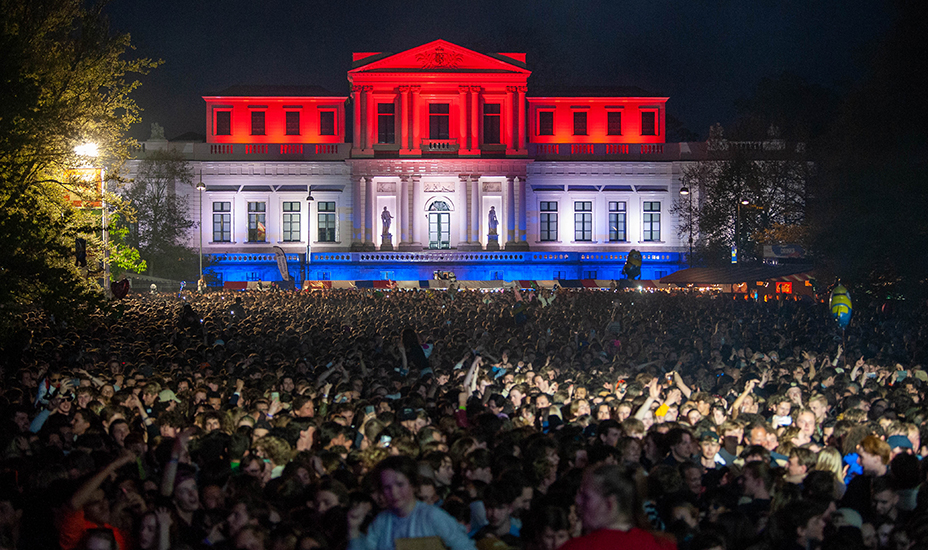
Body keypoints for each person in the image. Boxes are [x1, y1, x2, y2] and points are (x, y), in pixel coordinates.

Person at [347, 455, 475, 550]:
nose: (394, 492)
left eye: (400, 484)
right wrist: (353, 530)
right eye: (387, 487)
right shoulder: (382, 522)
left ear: (413, 485)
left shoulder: (432, 517)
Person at [560, 464, 675, 550]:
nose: (578, 501)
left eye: (586, 497)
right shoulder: (663, 545)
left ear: (610, 503)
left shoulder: (578, 547)